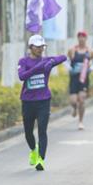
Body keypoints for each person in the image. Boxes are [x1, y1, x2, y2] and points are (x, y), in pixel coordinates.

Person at [17, 35, 67, 171]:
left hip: (43, 101)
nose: (40, 49)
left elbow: (63, 57)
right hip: (28, 101)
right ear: (30, 47)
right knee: (28, 132)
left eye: (42, 47)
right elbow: (22, 76)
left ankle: (41, 159)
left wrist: (51, 62)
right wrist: (38, 68)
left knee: (42, 130)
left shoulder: (46, 61)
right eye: (37, 47)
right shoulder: (23, 61)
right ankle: (33, 149)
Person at [67, 31, 93, 130]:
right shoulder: (72, 50)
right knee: (73, 100)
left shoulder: (90, 51)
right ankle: (74, 107)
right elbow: (66, 61)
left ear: (86, 38)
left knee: (82, 100)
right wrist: (70, 69)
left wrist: (91, 69)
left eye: (83, 37)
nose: (81, 39)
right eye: (79, 37)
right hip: (74, 78)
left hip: (84, 78)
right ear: (77, 38)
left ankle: (80, 121)